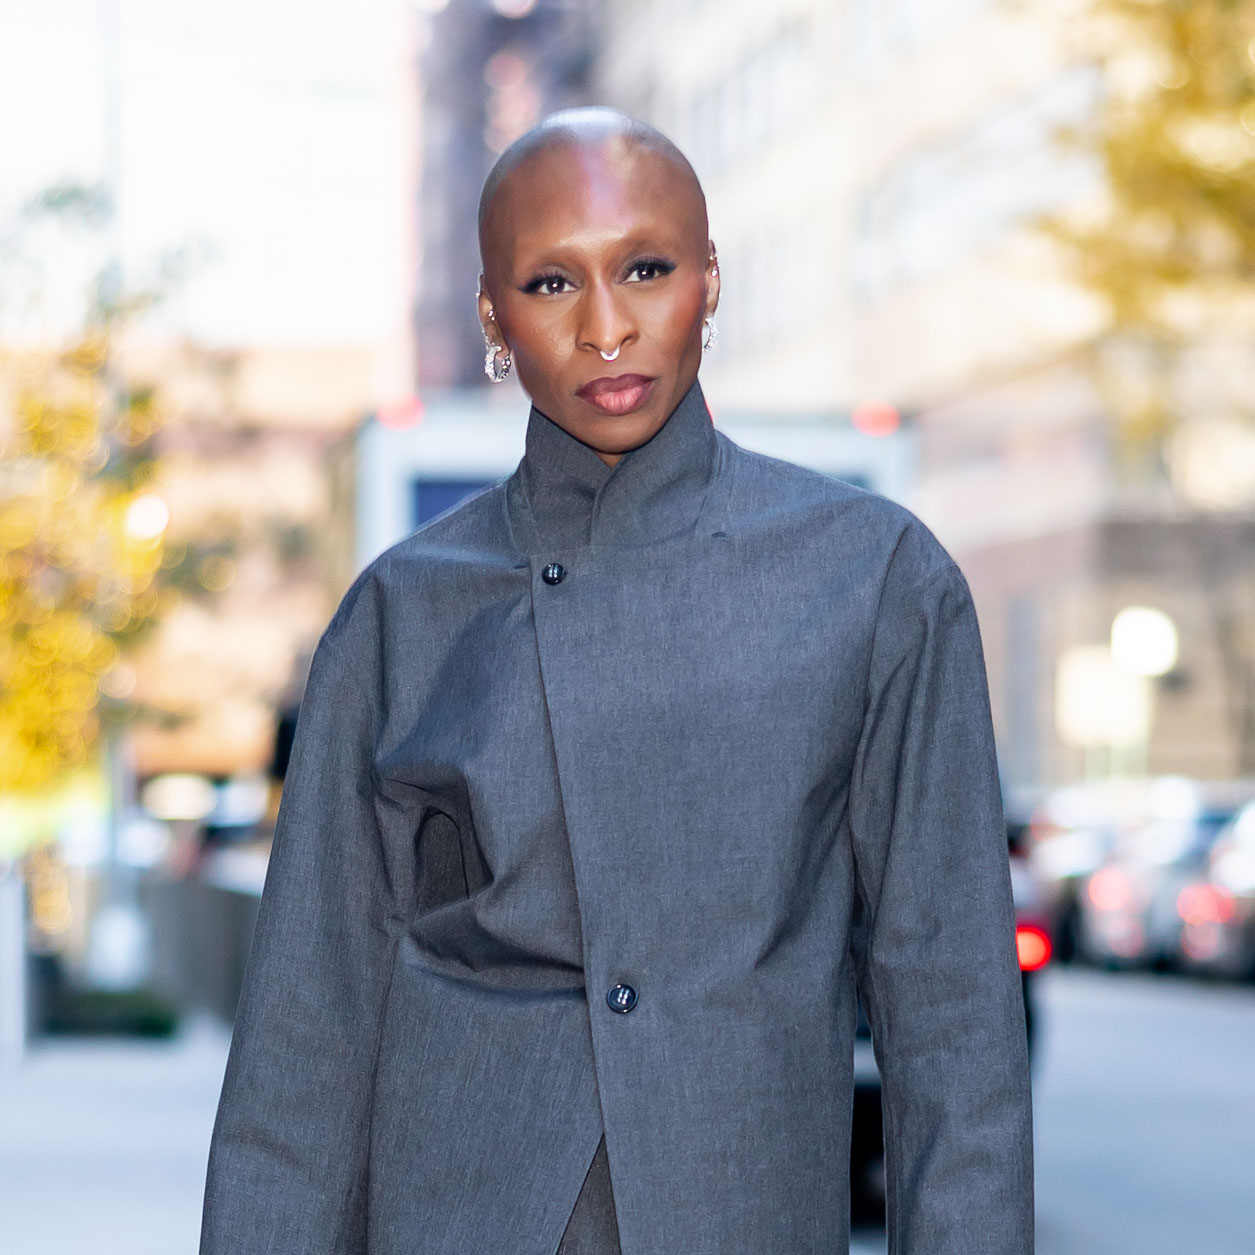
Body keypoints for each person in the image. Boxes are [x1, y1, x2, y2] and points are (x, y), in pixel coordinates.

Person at [201, 108, 1033, 1255]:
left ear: (710, 279)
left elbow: (952, 1018)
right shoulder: (401, 614)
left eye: (645, 268)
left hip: (737, 1210)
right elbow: (307, 1041)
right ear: (492, 316)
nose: (605, 328)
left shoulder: (876, 580)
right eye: (551, 283)